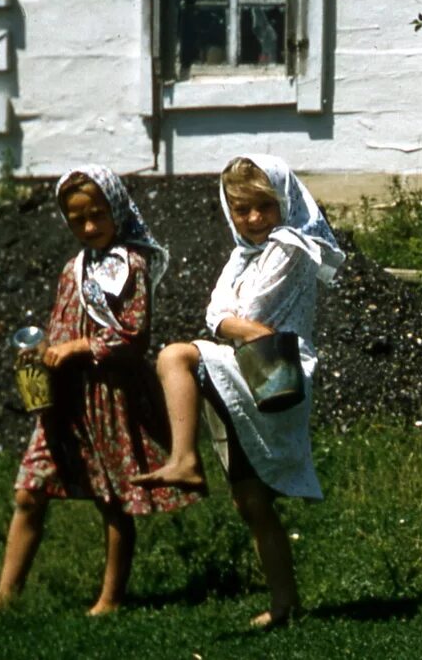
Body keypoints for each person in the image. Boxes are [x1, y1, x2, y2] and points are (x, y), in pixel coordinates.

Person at [132, 154, 344, 628]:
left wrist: (237, 324)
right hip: (251, 360)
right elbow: (216, 314)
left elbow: (246, 306)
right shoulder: (242, 254)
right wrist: (240, 327)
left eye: (262, 207)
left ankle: (184, 459)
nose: (253, 220)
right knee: (251, 500)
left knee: (175, 356)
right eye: (241, 210)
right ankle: (286, 604)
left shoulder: (291, 246)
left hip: (280, 365)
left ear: (283, 202)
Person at [0, 166, 197, 615]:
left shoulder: (129, 267)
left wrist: (80, 347)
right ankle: (5, 597)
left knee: (113, 497)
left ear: (116, 209)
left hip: (110, 395)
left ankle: (110, 598)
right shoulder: (73, 268)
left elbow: (134, 336)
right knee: (29, 491)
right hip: (65, 400)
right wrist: (42, 352)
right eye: (77, 219)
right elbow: (61, 324)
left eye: (97, 215)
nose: (89, 227)